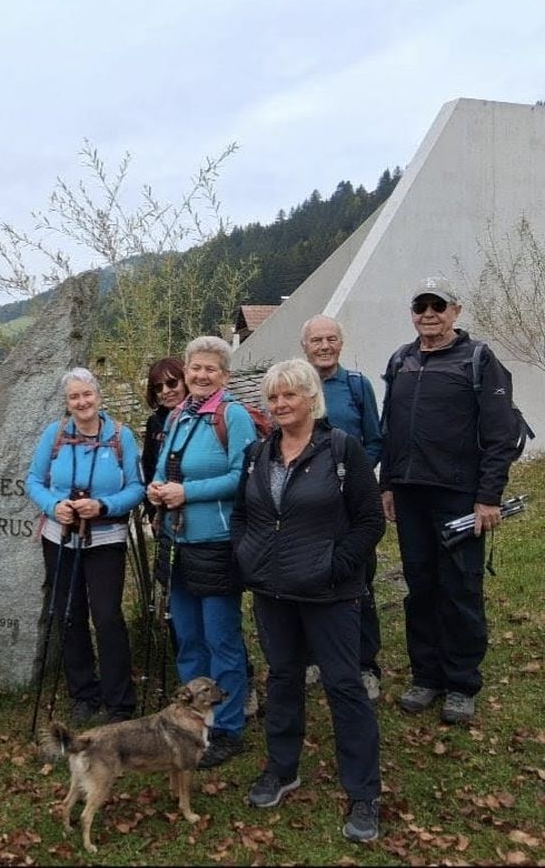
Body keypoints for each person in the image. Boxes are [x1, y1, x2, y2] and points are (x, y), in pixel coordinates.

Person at [232, 359, 385, 843]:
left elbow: (369, 522)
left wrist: (334, 567)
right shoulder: (258, 453)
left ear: (310, 398)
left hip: (330, 594)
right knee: (281, 680)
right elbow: (242, 515)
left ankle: (363, 792)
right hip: (273, 591)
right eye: (273, 397)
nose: (279, 405)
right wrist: (248, 556)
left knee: (344, 686)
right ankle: (282, 768)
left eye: (289, 396)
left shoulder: (342, 449)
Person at [380, 277, 522, 725]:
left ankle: (461, 683)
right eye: (420, 305)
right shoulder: (400, 360)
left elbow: (500, 436)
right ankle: (427, 676)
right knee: (419, 588)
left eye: (437, 305)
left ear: (455, 311)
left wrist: (488, 496)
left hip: (460, 495)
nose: (428, 313)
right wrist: (387, 484)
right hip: (410, 494)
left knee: (460, 589)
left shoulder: (478, 360)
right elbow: (390, 429)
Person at [148, 336, 254, 767]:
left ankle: (228, 727)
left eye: (211, 369)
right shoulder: (177, 417)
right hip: (177, 542)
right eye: (196, 368)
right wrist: (156, 489)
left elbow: (241, 477)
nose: (201, 375)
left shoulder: (234, 416)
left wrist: (185, 492)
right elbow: (161, 467)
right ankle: (193, 717)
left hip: (216, 543)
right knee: (188, 637)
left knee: (221, 638)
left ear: (224, 376)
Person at [26, 367, 146, 724]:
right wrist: (53, 506)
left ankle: (119, 701)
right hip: (60, 537)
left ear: (99, 396)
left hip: (106, 538)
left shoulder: (121, 436)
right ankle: (83, 693)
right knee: (67, 614)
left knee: (107, 616)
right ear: (67, 403)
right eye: (74, 397)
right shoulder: (56, 434)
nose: (82, 402)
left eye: (87, 394)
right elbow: (33, 480)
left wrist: (104, 506)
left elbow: (137, 487)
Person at [300, 316, 384, 701]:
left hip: (352, 503)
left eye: (331, 339)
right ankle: (314, 656)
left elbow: (376, 440)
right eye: (317, 340)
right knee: (309, 578)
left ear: (341, 343)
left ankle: (366, 664)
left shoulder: (356, 385)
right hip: (308, 505)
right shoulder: (296, 388)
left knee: (359, 582)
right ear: (305, 347)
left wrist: (351, 480)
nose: (324, 346)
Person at [141, 357, 188, 519]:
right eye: (158, 387)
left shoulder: (205, 418)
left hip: (194, 506)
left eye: (172, 383)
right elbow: (148, 467)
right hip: (163, 513)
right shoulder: (155, 422)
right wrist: (152, 509)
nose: (166, 391)